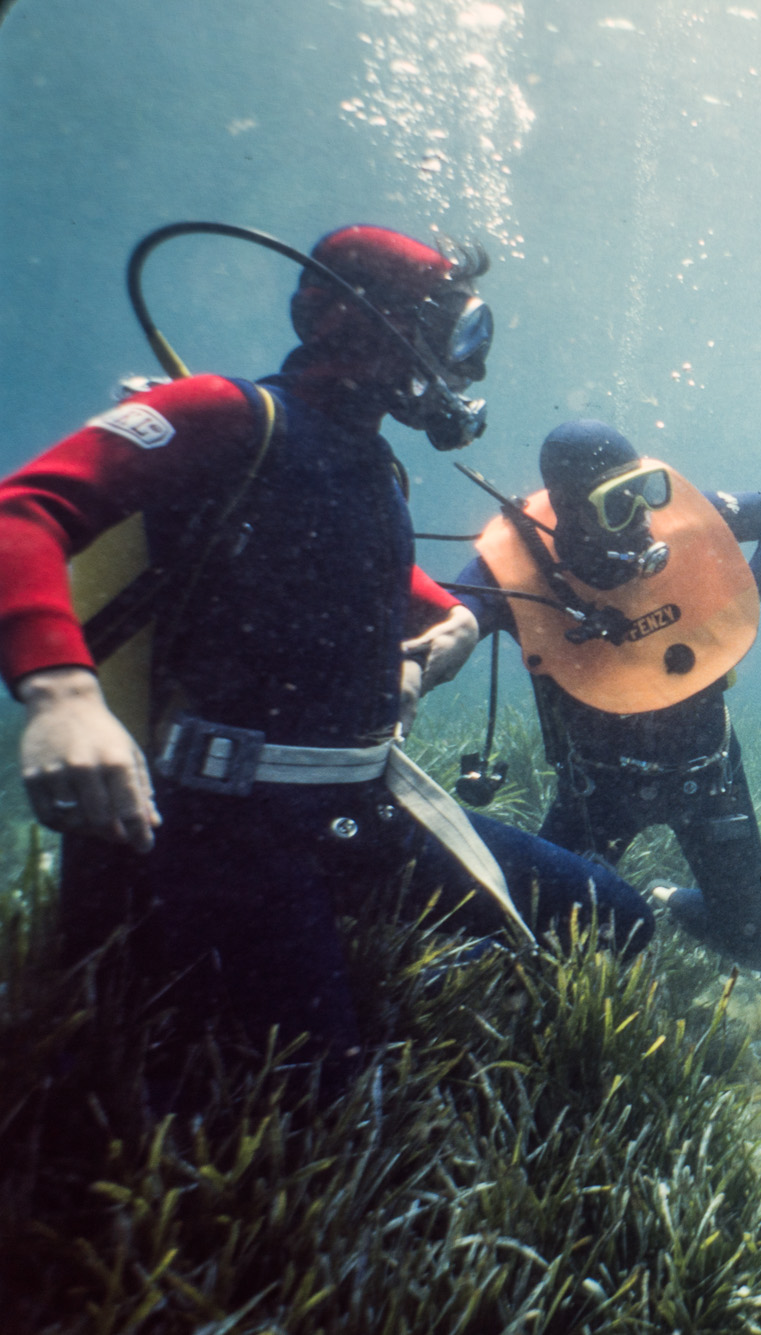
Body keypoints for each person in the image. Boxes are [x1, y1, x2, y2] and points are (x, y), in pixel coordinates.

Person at [0, 224, 654, 1077]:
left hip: (361, 810)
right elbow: (24, 510)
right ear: (368, 322)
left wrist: (444, 627)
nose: (471, 366)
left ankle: (366, 977)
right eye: (460, 332)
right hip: (221, 832)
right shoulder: (222, 413)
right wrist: (62, 696)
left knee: (619, 916)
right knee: (319, 1106)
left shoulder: (375, 466)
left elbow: (375, 580)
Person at [447, 420, 761, 968]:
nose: (641, 516)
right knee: (543, 944)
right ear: (567, 510)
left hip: (708, 775)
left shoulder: (683, 524)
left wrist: (743, 595)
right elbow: (449, 612)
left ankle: (669, 898)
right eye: (617, 504)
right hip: (596, 794)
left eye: (643, 490)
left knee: (749, 939)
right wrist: (455, 630)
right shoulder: (515, 567)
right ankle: (614, 901)